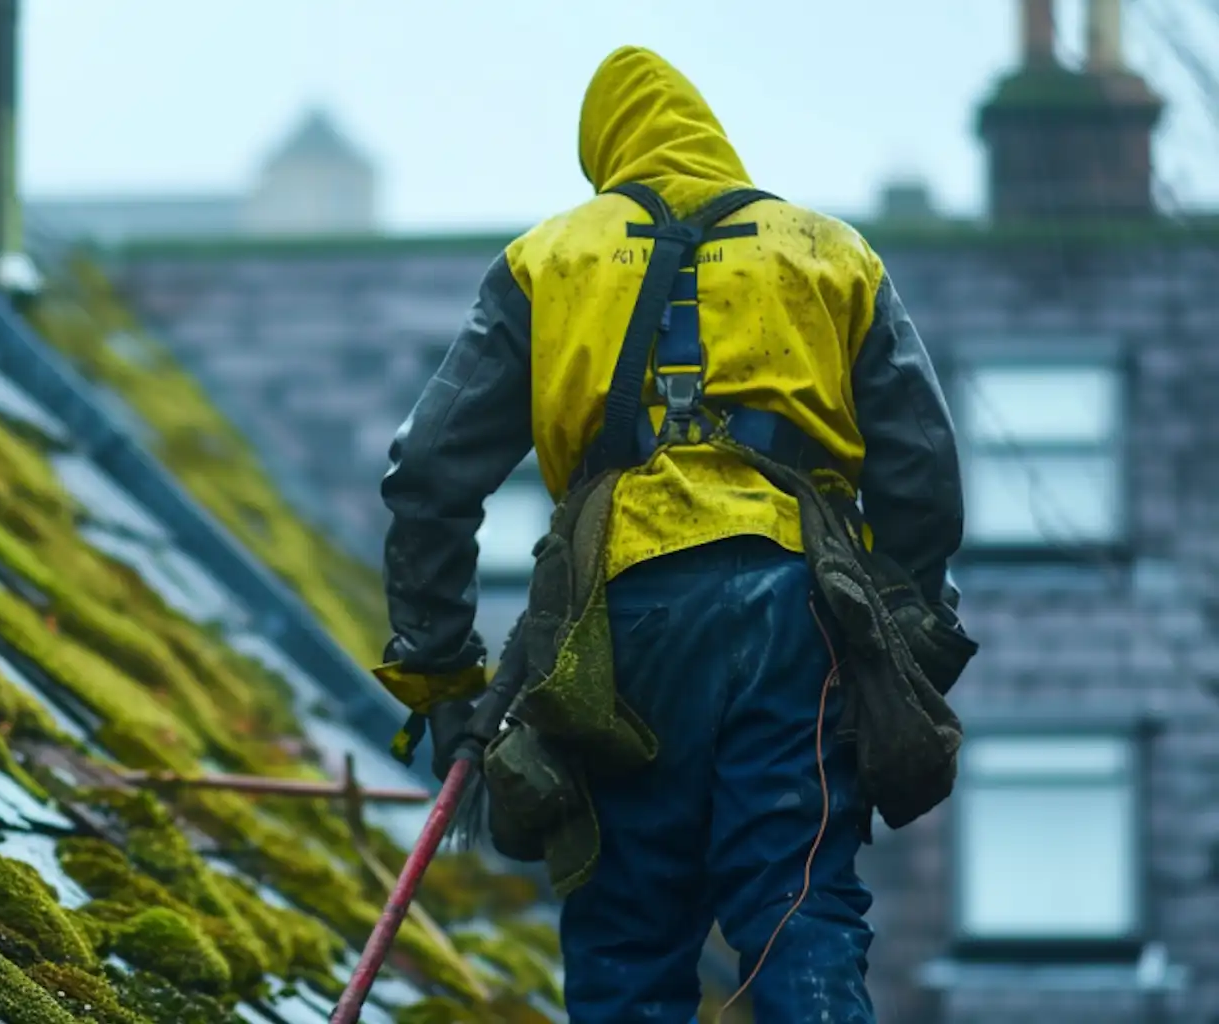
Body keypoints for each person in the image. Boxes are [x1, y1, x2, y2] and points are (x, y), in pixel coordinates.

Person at [377, 45, 964, 1024]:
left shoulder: (548, 259)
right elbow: (922, 475)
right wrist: (903, 634)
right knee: (797, 905)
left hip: (615, 629)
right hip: (796, 615)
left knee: (628, 928)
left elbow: (427, 478)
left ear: (602, 150)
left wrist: (440, 675)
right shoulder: (826, 253)